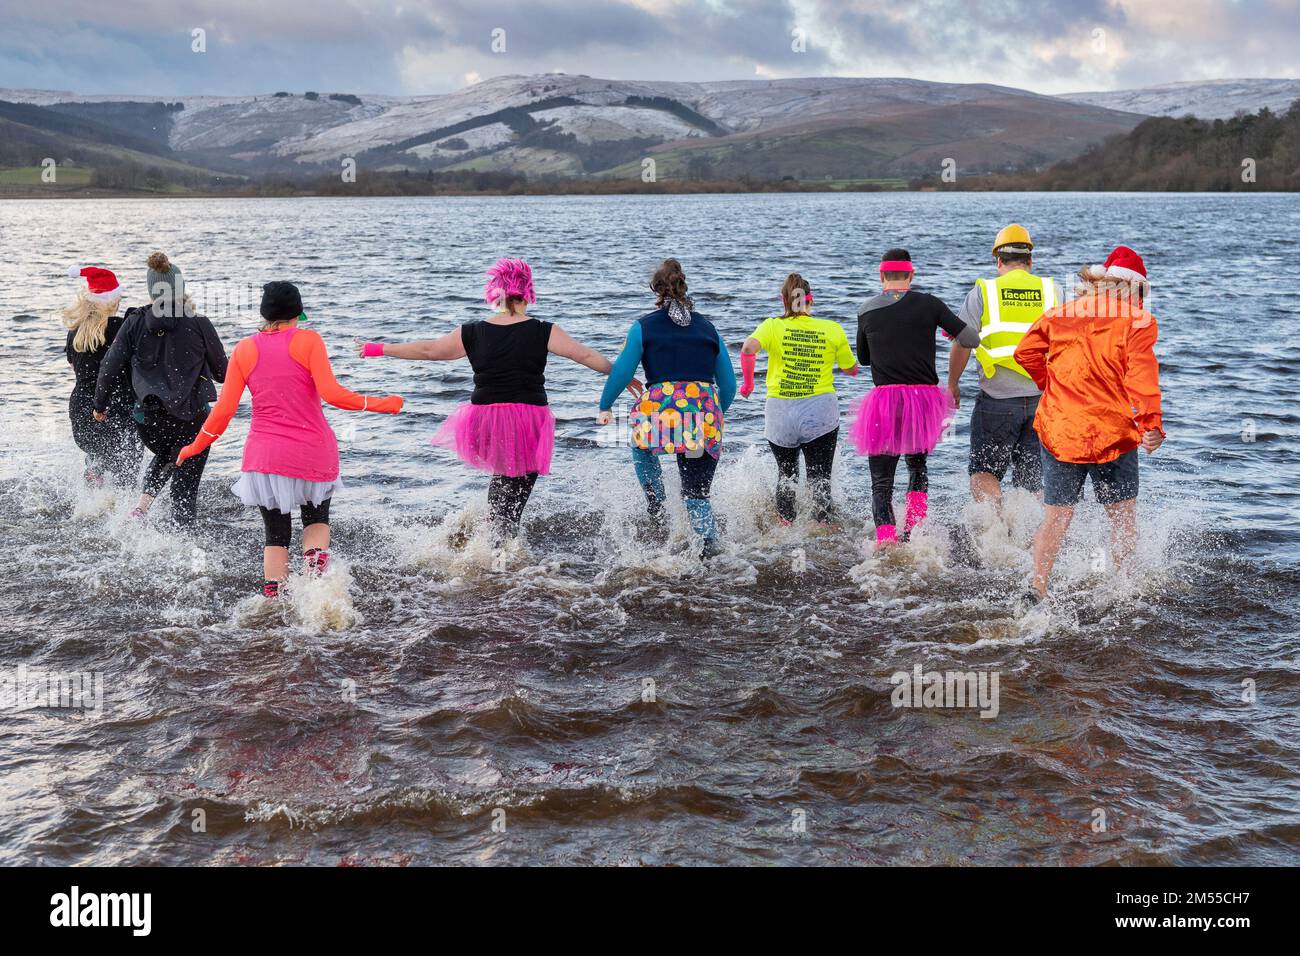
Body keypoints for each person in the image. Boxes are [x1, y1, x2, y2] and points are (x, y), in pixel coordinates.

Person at [360, 257, 632, 541]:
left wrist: (378, 349)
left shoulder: (473, 331)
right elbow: (586, 355)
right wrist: (622, 374)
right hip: (528, 417)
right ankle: (503, 544)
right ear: (527, 292)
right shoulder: (543, 330)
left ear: (496, 293)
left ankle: (494, 542)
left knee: (502, 477)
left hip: (484, 418)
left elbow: (429, 351)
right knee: (518, 485)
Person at [176, 282, 403, 598]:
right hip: (312, 451)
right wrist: (381, 403)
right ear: (297, 312)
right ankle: (315, 580)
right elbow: (333, 394)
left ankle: (273, 602)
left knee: (275, 535)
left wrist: (194, 447)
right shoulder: (308, 340)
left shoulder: (244, 349)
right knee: (316, 519)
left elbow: (224, 411)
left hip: (264, 458)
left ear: (264, 313)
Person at [1013, 246, 1164, 603]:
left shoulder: (1060, 313)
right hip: (1112, 433)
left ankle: (1037, 587)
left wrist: (1049, 385)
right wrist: (1151, 423)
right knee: (1122, 518)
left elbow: (1025, 353)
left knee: (1057, 516)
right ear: (1134, 289)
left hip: (1060, 428)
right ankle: (1125, 589)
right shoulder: (1138, 321)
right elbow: (1142, 377)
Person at [599, 258, 736, 558]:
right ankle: (712, 556)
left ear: (657, 291)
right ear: (684, 287)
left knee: (640, 442)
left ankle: (656, 502)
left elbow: (622, 371)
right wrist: (714, 416)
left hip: (662, 416)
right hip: (703, 416)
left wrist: (605, 405)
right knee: (697, 496)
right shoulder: (709, 328)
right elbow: (729, 387)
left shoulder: (643, 327)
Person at [852, 249, 979, 548]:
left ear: (881, 275)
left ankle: (886, 541)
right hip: (923, 402)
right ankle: (915, 531)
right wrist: (948, 332)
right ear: (912, 275)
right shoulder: (930, 304)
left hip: (884, 402)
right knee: (917, 467)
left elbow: (865, 359)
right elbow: (970, 338)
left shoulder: (866, 310)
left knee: (881, 481)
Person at [94, 252, 228, 526]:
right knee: (185, 476)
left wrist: (99, 405)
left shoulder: (133, 322)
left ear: (152, 291)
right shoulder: (199, 323)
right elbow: (222, 373)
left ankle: (141, 509)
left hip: (148, 419)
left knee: (169, 451)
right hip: (192, 418)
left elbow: (109, 364)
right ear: (180, 288)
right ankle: (181, 540)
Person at [946, 224, 1060, 507]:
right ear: (1030, 261)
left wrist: (952, 384)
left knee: (984, 473)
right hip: (1042, 400)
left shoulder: (983, 291)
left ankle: (996, 530)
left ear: (998, 261)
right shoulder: (1053, 290)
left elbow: (963, 342)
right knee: (1031, 480)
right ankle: (1030, 535)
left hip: (996, 401)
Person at [737, 272, 857, 526]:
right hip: (819, 412)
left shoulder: (772, 326)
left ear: (783, 300)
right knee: (820, 477)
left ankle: (786, 527)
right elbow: (850, 369)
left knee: (786, 474)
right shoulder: (831, 328)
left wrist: (748, 384)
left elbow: (748, 348)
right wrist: (852, 367)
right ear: (810, 301)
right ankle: (823, 532)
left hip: (781, 411)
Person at [60, 266, 142, 485]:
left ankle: (90, 502)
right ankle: (121, 511)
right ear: (113, 300)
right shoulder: (123, 328)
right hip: (115, 408)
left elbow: (75, 367)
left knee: (98, 457)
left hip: (81, 412)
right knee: (127, 469)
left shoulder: (74, 331)